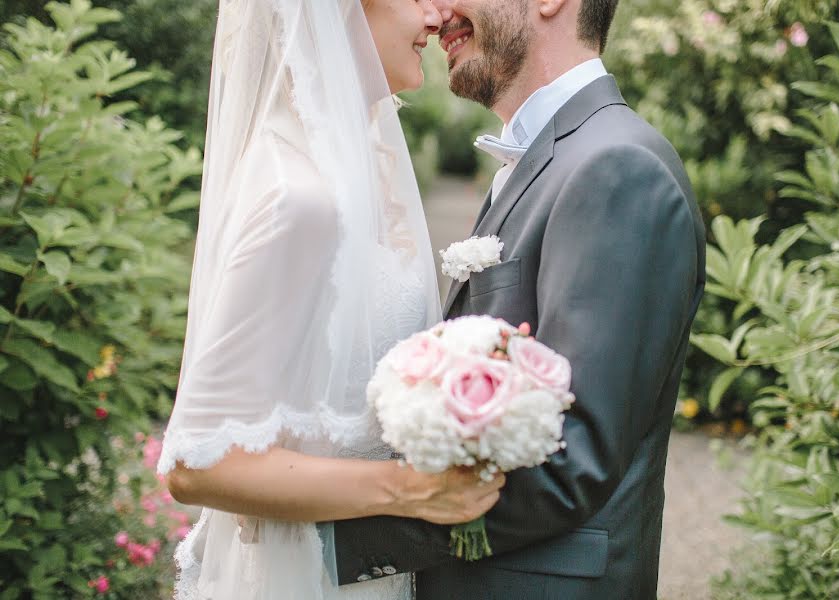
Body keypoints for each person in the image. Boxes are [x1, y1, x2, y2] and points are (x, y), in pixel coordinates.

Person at [329, 1, 707, 598]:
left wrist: (324, 539)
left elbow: (569, 461)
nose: (439, 9)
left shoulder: (616, 167)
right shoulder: (548, 157)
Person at [156, 1, 504, 599]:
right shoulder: (298, 197)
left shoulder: (352, 163)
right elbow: (199, 464)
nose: (438, 14)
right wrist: (412, 488)